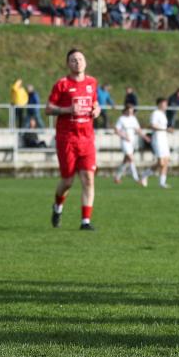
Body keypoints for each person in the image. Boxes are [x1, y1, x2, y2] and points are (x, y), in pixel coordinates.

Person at [45, 49, 101, 230]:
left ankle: (85, 221)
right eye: (73, 60)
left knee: (88, 179)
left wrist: (97, 110)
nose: (78, 62)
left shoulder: (92, 82)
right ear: (68, 64)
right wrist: (67, 110)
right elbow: (48, 108)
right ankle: (58, 206)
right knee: (68, 181)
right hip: (67, 138)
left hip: (86, 138)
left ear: (86, 62)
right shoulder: (62, 84)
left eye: (81, 59)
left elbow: (95, 103)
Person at [140, 97, 172, 188]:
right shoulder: (155, 113)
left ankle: (162, 183)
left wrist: (168, 130)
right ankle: (145, 175)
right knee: (161, 162)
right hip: (157, 139)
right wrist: (165, 129)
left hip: (164, 139)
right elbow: (153, 126)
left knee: (166, 161)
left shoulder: (163, 114)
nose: (166, 105)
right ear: (159, 104)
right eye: (164, 103)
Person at [114, 105, 149, 184]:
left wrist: (145, 137)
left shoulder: (133, 119)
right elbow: (116, 130)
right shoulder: (121, 119)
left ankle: (117, 177)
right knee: (131, 158)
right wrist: (124, 136)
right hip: (125, 141)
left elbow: (137, 129)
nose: (130, 112)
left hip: (132, 141)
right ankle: (136, 178)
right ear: (125, 110)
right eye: (129, 111)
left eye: (132, 111)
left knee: (126, 160)